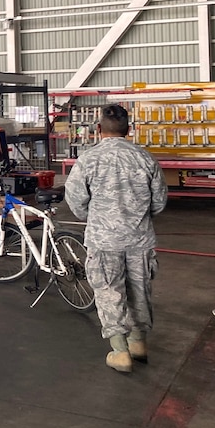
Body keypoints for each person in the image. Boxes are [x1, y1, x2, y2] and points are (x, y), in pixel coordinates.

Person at [65, 104, 167, 374]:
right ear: (128, 130)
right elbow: (159, 202)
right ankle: (139, 343)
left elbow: (75, 200)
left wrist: (98, 218)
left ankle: (120, 351)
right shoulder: (146, 159)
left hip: (104, 239)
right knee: (139, 290)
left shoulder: (88, 159)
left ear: (98, 129)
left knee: (110, 291)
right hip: (139, 240)